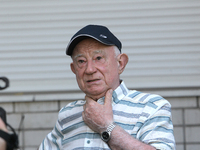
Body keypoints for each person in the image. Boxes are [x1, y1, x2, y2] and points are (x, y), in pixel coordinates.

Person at [39, 25, 175, 150]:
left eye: (98, 58)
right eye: (81, 61)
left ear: (120, 63)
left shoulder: (151, 106)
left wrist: (107, 128)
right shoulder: (67, 114)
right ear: (73, 69)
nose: (90, 69)